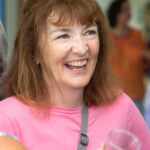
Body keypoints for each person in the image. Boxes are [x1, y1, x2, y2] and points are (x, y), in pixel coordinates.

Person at [0, 0, 149, 150]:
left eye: (89, 32)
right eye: (63, 36)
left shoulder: (121, 107)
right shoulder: (7, 118)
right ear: (35, 51)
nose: (82, 48)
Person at [107, 0, 148, 115]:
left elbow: (145, 62)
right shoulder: (106, 36)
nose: (129, 12)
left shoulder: (137, 35)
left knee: (135, 131)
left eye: (129, 9)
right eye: (125, 9)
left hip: (136, 94)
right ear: (116, 13)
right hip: (113, 94)